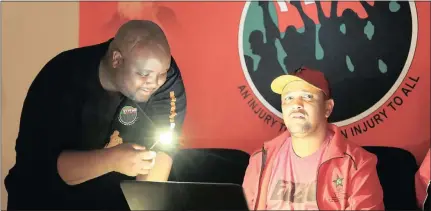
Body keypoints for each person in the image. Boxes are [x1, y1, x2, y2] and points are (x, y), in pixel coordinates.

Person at [4, 20, 187, 210]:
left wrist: (144, 203)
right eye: (143, 74)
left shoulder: (166, 80)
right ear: (117, 60)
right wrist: (112, 160)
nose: (155, 83)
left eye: (162, 73)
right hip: (44, 198)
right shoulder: (61, 78)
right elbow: (50, 169)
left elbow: (161, 155)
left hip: (109, 200)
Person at [242, 67, 384, 210]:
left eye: (307, 96)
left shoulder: (358, 164)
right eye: (288, 98)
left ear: (328, 108)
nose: (296, 104)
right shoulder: (260, 160)